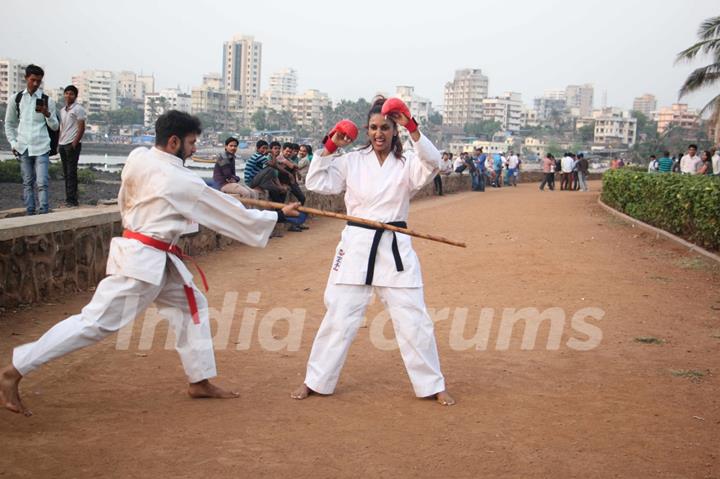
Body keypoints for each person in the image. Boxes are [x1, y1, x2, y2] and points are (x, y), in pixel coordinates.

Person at [0, 111, 300, 416]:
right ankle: (15, 370)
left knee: (190, 306)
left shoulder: (138, 157)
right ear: (174, 142)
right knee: (94, 323)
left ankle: (199, 380)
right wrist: (278, 214)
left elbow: (130, 199)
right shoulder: (179, 179)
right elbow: (227, 212)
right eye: (192, 142)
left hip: (150, 253)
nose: (195, 149)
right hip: (142, 263)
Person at [291, 97, 454, 406]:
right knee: (339, 316)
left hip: (394, 247)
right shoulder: (351, 161)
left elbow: (433, 164)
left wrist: (414, 129)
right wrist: (329, 146)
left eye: (387, 128)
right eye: (374, 128)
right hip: (356, 246)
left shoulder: (407, 163)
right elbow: (315, 181)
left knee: (413, 319)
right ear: (367, 130)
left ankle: (432, 383)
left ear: (396, 130)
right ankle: (316, 380)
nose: (380, 133)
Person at [4, 64, 59, 215]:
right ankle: (30, 212)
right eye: (33, 80)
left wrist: (47, 114)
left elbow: (55, 127)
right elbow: (9, 124)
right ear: (26, 78)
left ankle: (43, 211)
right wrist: (13, 143)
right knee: (27, 182)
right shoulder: (16, 99)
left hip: (41, 145)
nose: (35, 84)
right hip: (23, 146)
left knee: (42, 182)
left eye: (39, 81)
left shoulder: (48, 100)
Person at [58, 85, 86, 207]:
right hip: (62, 144)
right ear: (64, 94)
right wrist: (58, 143)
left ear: (75, 96)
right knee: (66, 173)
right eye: (67, 93)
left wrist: (74, 143)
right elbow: (62, 128)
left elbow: (81, 127)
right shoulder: (62, 110)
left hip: (72, 144)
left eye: (71, 94)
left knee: (71, 173)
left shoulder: (78, 109)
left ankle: (72, 200)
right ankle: (68, 198)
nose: (69, 96)